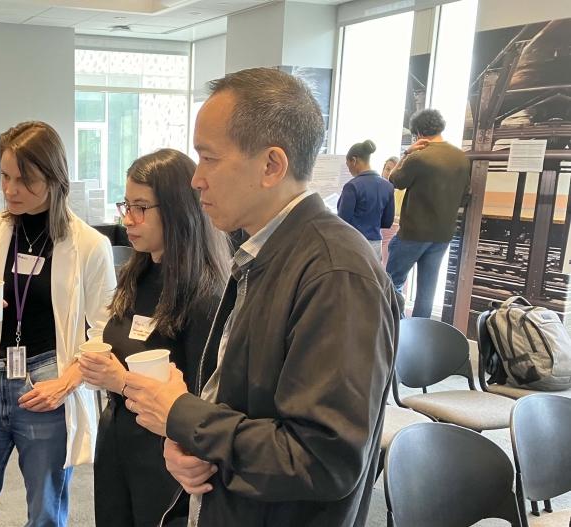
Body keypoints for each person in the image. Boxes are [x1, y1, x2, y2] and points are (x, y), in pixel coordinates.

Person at [121, 68, 398, 527]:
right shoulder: (260, 252)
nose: (196, 180)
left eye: (209, 159)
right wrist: (194, 444)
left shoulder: (335, 273)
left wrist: (184, 415)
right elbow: (246, 403)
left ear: (271, 165)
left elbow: (323, 460)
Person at [0, 121, 116, 527]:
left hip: (47, 382)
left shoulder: (89, 244)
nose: (10, 190)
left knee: (44, 514)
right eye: (5, 176)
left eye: (26, 180)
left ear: (55, 179)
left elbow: (105, 332)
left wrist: (68, 381)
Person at [78, 149, 229, 527]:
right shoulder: (137, 273)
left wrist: (121, 380)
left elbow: (203, 401)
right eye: (126, 205)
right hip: (117, 438)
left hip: (166, 453)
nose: (127, 219)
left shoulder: (205, 295)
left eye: (141, 207)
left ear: (178, 210)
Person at [387, 108, 471, 318]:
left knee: (390, 284)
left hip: (413, 234)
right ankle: (420, 335)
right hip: (442, 236)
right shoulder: (461, 157)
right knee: (426, 293)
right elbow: (466, 195)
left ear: (419, 133)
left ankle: (397, 328)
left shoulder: (419, 157)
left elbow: (395, 180)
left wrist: (408, 152)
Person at [337, 140, 395, 257]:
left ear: (354, 161)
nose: (349, 170)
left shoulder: (352, 186)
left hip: (354, 243)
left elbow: (342, 221)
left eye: (348, 165)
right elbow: (387, 222)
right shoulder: (388, 186)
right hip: (376, 244)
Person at [380, 156, 401, 265]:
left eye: (393, 170)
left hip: (392, 232)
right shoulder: (377, 188)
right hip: (376, 233)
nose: (389, 173)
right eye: (387, 169)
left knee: (389, 270)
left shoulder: (402, 191)